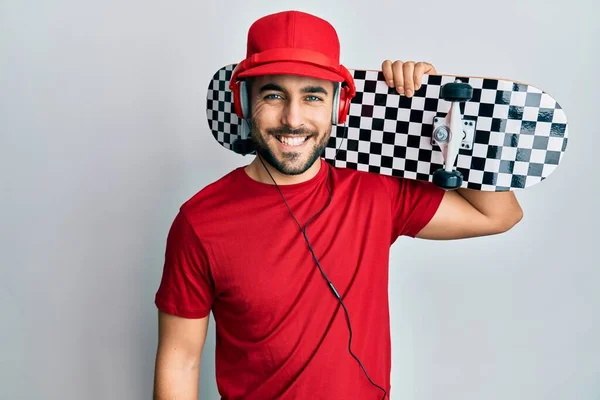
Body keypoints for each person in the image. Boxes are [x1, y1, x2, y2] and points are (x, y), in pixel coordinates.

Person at [152, 10, 523, 400]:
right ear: (244, 104)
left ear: (337, 109)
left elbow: (499, 214)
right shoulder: (200, 221)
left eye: (312, 96)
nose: (292, 119)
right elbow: (180, 360)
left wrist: (444, 115)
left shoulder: (376, 190)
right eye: (273, 94)